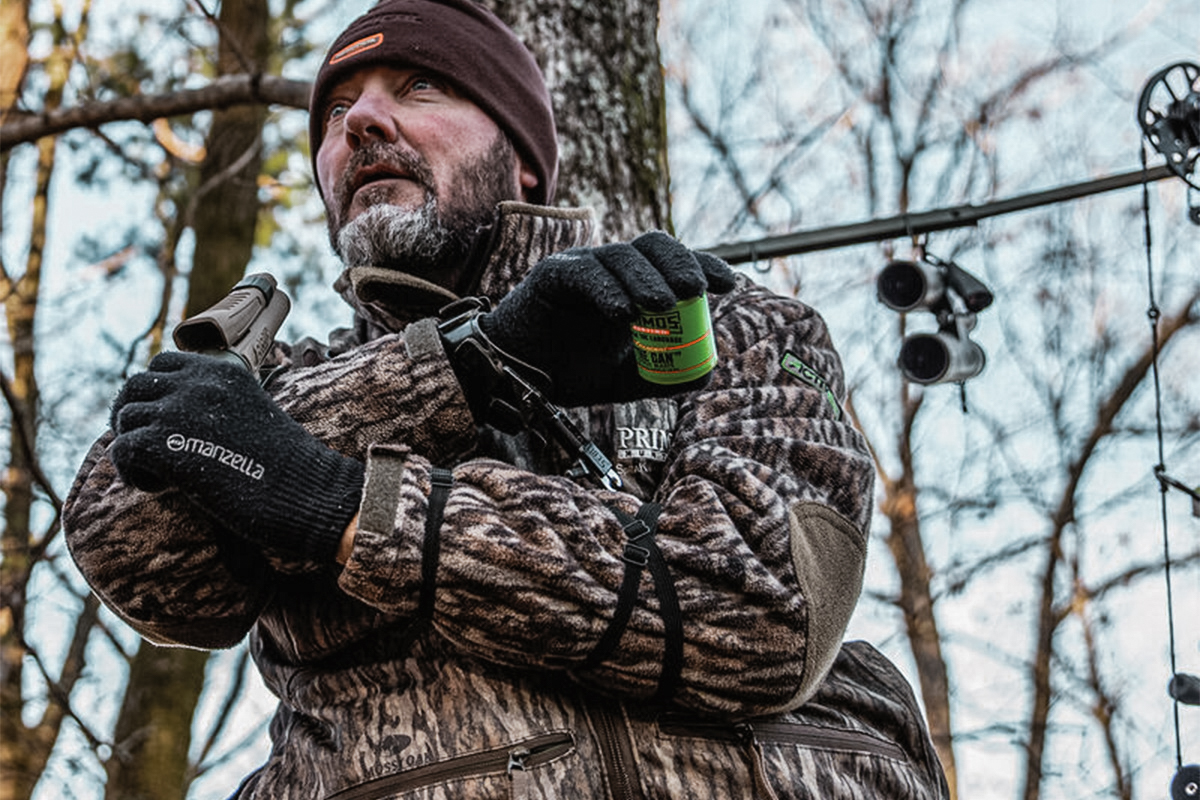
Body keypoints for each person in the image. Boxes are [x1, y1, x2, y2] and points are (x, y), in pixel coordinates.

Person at [64, 1, 950, 797]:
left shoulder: (726, 327)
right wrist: (469, 366)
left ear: (524, 160)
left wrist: (341, 507)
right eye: (337, 112)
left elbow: (762, 617)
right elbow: (133, 546)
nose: (362, 121)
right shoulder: (277, 382)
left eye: (419, 88)